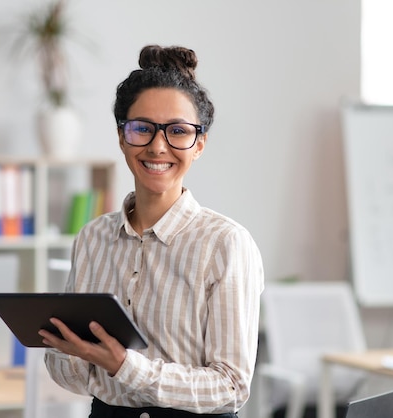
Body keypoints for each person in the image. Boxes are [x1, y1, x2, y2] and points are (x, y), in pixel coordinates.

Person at [40, 44, 264, 418]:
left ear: (199, 145)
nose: (158, 147)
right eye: (142, 128)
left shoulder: (226, 243)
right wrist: (72, 352)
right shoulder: (92, 238)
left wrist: (122, 365)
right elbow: (73, 377)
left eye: (178, 131)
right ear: (122, 136)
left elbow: (231, 387)